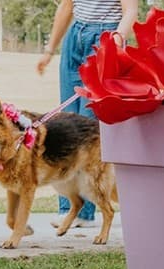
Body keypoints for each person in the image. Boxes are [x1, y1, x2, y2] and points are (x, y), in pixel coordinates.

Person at [37, 0, 137, 228]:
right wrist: (49, 50)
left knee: (88, 126)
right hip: (75, 36)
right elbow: (66, 5)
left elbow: (130, 11)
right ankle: (68, 208)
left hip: (105, 36)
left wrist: (117, 40)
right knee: (65, 124)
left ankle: (85, 211)